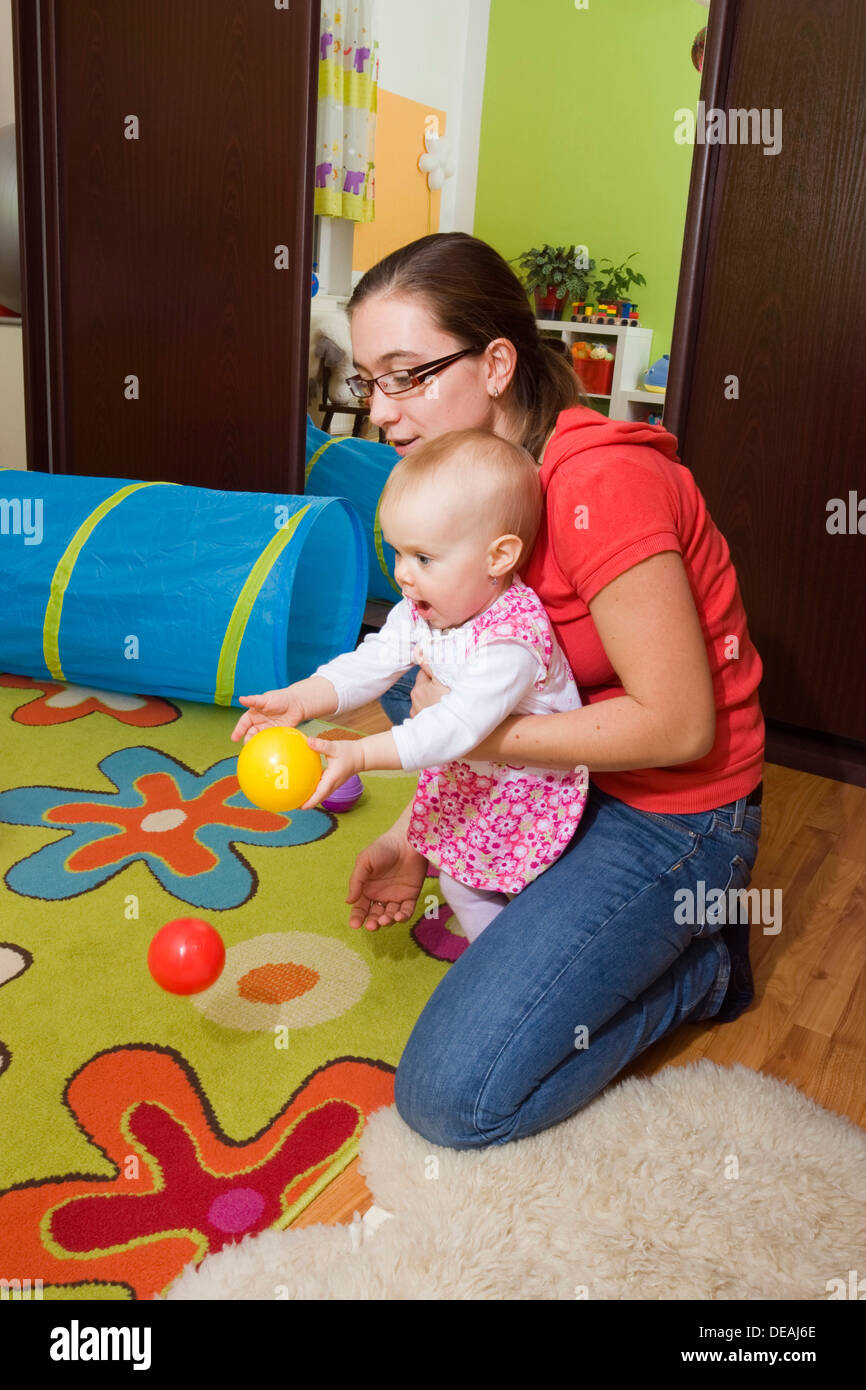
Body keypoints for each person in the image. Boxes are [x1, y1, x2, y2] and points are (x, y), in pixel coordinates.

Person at [343, 230, 765, 1150]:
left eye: (406, 374)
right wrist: (418, 834)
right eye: (369, 381)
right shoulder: (477, 495)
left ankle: (703, 969)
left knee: (455, 1097)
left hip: (675, 813)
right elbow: (504, 692)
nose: (382, 409)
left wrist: (469, 741)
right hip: (566, 784)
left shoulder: (600, 482)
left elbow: (681, 724)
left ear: (497, 362)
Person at [230, 427, 588, 944]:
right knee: (464, 882)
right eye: (397, 552)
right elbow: (372, 662)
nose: (403, 575)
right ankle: (506, 946)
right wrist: (299, 698)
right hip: (478, 775)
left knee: (494, 887)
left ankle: (517, 958)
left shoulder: (511, 640)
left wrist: (361, 755)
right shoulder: (427, 608)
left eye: (423, 558)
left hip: (529, 792)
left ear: (499, 558)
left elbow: (454, 726)